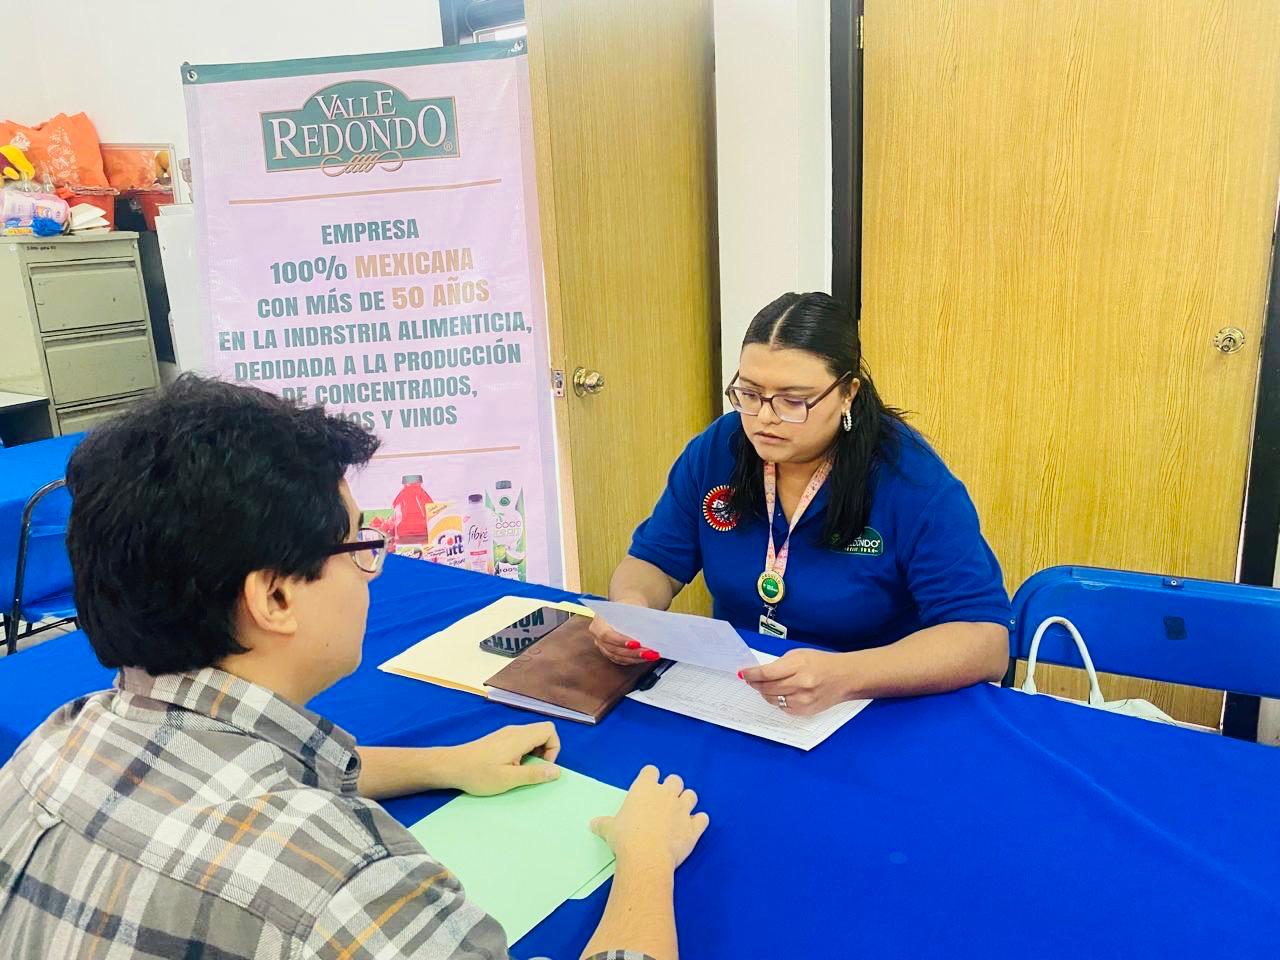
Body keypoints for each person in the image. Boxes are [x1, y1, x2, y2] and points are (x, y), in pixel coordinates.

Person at [0, 376, 707, 960]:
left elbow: (228, 769)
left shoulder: (53, 744)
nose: (371, 572)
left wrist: (444, 764)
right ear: (274, 596)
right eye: (358, 546)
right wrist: (645, 859)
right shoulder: (339, 883)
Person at [591, 291, 1011, 715]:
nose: (765, 418)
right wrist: (631, 610)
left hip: (875, 704)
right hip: (747, 694)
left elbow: (983, 640)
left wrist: (848, 676)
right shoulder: (719, 449)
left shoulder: (911, 480)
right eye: (750, 394)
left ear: (848, 392)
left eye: (793, 401)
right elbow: (653, 563)